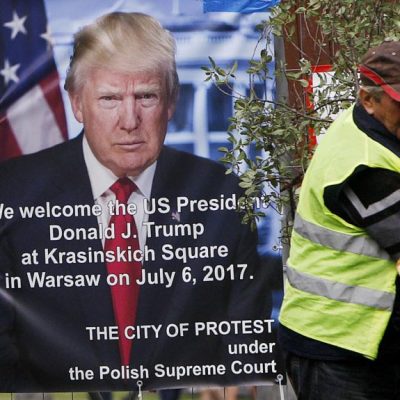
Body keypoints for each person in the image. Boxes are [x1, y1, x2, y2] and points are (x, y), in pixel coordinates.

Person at [0, 12, 270, 392]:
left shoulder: (220, 193)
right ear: (77, 104)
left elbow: (243, 340)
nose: (130, 120)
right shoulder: (13, 192)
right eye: (110, 98)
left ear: (171, 102)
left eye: (146, 96)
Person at [279, 40, 400, 400]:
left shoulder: (377, 129)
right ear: (368, 100)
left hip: (369, 343)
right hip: (332, 345)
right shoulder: (362, 166)